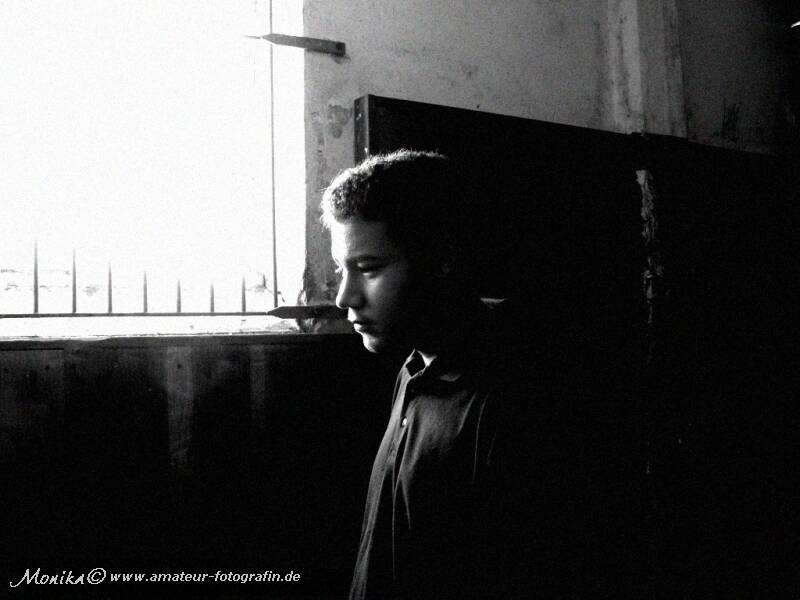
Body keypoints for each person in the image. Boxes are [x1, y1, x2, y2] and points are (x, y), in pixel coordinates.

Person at [321, 150, 587, 598]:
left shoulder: (510, 400)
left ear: (441, 259)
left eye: (368, 269)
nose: (345, 298)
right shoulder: (413, 367)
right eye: (340, 269)